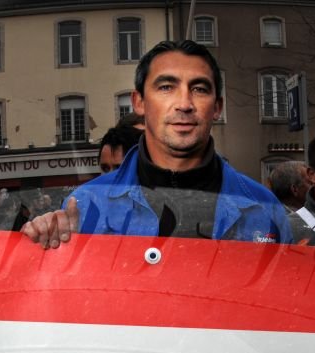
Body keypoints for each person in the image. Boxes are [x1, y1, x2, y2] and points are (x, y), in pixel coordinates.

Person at [23, 40, 292, 245]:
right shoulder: (84, 206)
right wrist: (43, 243)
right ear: (139, 102)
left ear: (217, 107)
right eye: (166, 87)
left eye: (199, 89)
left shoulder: (263, 207)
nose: (185, 104)